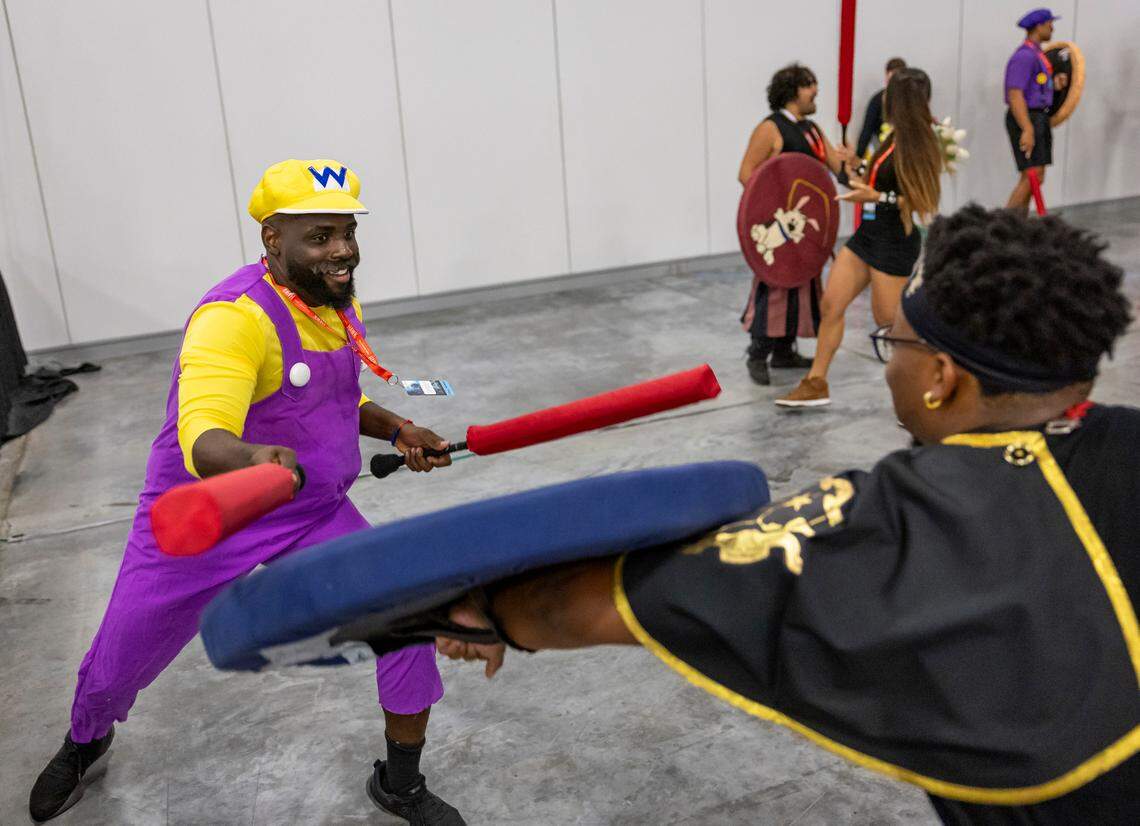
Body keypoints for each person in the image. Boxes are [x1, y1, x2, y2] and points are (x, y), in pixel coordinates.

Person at [436, 205, 1139, 824]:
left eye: (893, 342)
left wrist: (490, 612)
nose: (887, 362)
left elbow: (651, 596)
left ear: (941, 378)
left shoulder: (913, 518)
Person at [29, 160, 465, 825]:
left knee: (405, 617)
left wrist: (399, 428)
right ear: (272, 239)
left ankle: (399, 784)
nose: (343, 250)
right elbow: (202, 436)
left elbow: (334, 398)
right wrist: (256, 461)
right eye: (320, 236)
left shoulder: (331, 300)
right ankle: (86, 739)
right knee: (121, 659)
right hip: (205, 518)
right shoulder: (232, 319)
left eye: (347, 232)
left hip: (308, 510)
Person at [777, 68, 942, 407]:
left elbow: (922, 201)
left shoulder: (920, 140)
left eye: (889, 94)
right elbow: (881, 182)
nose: (883, 99)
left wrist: (877, 197)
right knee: (831, 305)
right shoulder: (892, 136)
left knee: (892, 328)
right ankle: (816, 382)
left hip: (894, 243)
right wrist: (857, 166)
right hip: (867, 238)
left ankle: (924, 394)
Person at [737, 63, 853, 386]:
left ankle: (784, 352)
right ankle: (757, 354)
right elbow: (747, 173)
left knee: (802, 285)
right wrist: (775, 211)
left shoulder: (812, 129)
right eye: (809, 84)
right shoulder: (770, 129)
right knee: (775, 286)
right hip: (780, 228)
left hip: (804, 228)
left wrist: (855, 165)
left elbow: (837, 169)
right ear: (792, 91)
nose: (816, 90)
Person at [1004, 9, 1069, 213]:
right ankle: (1002, 224)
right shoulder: (1024, 56)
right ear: (1039, 26)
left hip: (1038, 116)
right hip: (1026, 117)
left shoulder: (1037, 55)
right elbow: (1015, 94)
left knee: (1036, 176)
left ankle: (1017, 225)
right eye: (1049, 24)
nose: (1052, 28)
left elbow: (1036, 84)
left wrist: (1054, 85)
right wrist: (1027, 128)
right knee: (1031, 175)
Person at [856, 57, 907, 159]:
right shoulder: (877, 101)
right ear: (886, 78)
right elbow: (867, 131)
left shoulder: (911, 101)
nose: (894, 86)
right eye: (891, 81)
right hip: (883, 151)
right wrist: (858, 156)